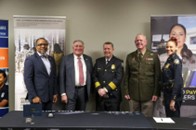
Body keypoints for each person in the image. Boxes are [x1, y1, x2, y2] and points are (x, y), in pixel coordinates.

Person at [124, 33, 161, 117]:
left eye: (141, 40)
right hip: (133, 95)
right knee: (134, 120)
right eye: (137, 40)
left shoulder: (154, 56)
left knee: (147, 120)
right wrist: (126, 91)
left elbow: (157, 76)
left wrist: (156, 93)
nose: (139, 42)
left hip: (149, 95)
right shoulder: (130, 56)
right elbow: (127, 75)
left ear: (146, 42)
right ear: (134, 42)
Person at [24, 37, 58, 110]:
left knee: (48, 120)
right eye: (40, 44)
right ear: (36, 47)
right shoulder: (30, 59)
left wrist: (55, 93)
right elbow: (28, 79)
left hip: (50, 97)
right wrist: (34, 96)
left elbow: (54, 77)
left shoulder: (51, 59)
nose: (43, 46)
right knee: (37, 120)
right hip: (37, 98)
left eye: (45, 44)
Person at [60, 40, 93, 111]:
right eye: (76, 46)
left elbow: (91, 75)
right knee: (69, 114)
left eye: (80, 46)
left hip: (83, 91)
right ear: (73, 47)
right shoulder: (65, 59)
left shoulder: (88, 59)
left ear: (83, 47)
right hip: (70, 92)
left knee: (81, 113)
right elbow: (61, 78)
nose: (78, 48)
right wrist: (63, 93)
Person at [93, 42, 123, 111]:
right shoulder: (98, 61)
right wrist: (99, 88)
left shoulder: (118, 62)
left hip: (113, 97)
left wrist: (105, 89)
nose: (106, 51)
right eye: (105, 49)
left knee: (113, 119)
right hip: (100, 96)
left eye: (108, 49)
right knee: (100, 119)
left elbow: (118, 79)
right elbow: (94, 76)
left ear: (113, 49)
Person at [161, 37, 183, 117]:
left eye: (171, 47)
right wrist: (165, 97)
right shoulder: (169, 59)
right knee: (169, 120)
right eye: (167, 47)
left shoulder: (176, 61)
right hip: (168, 94)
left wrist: (173, 99)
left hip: (174, 96)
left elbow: (178, 81)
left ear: (176, 47)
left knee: (174, 121)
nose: (168, 48)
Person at [51, 43, 64, 110]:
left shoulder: (53, 53)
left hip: (55, 68)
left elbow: (51, 60)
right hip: (60, 67)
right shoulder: (62, 53)